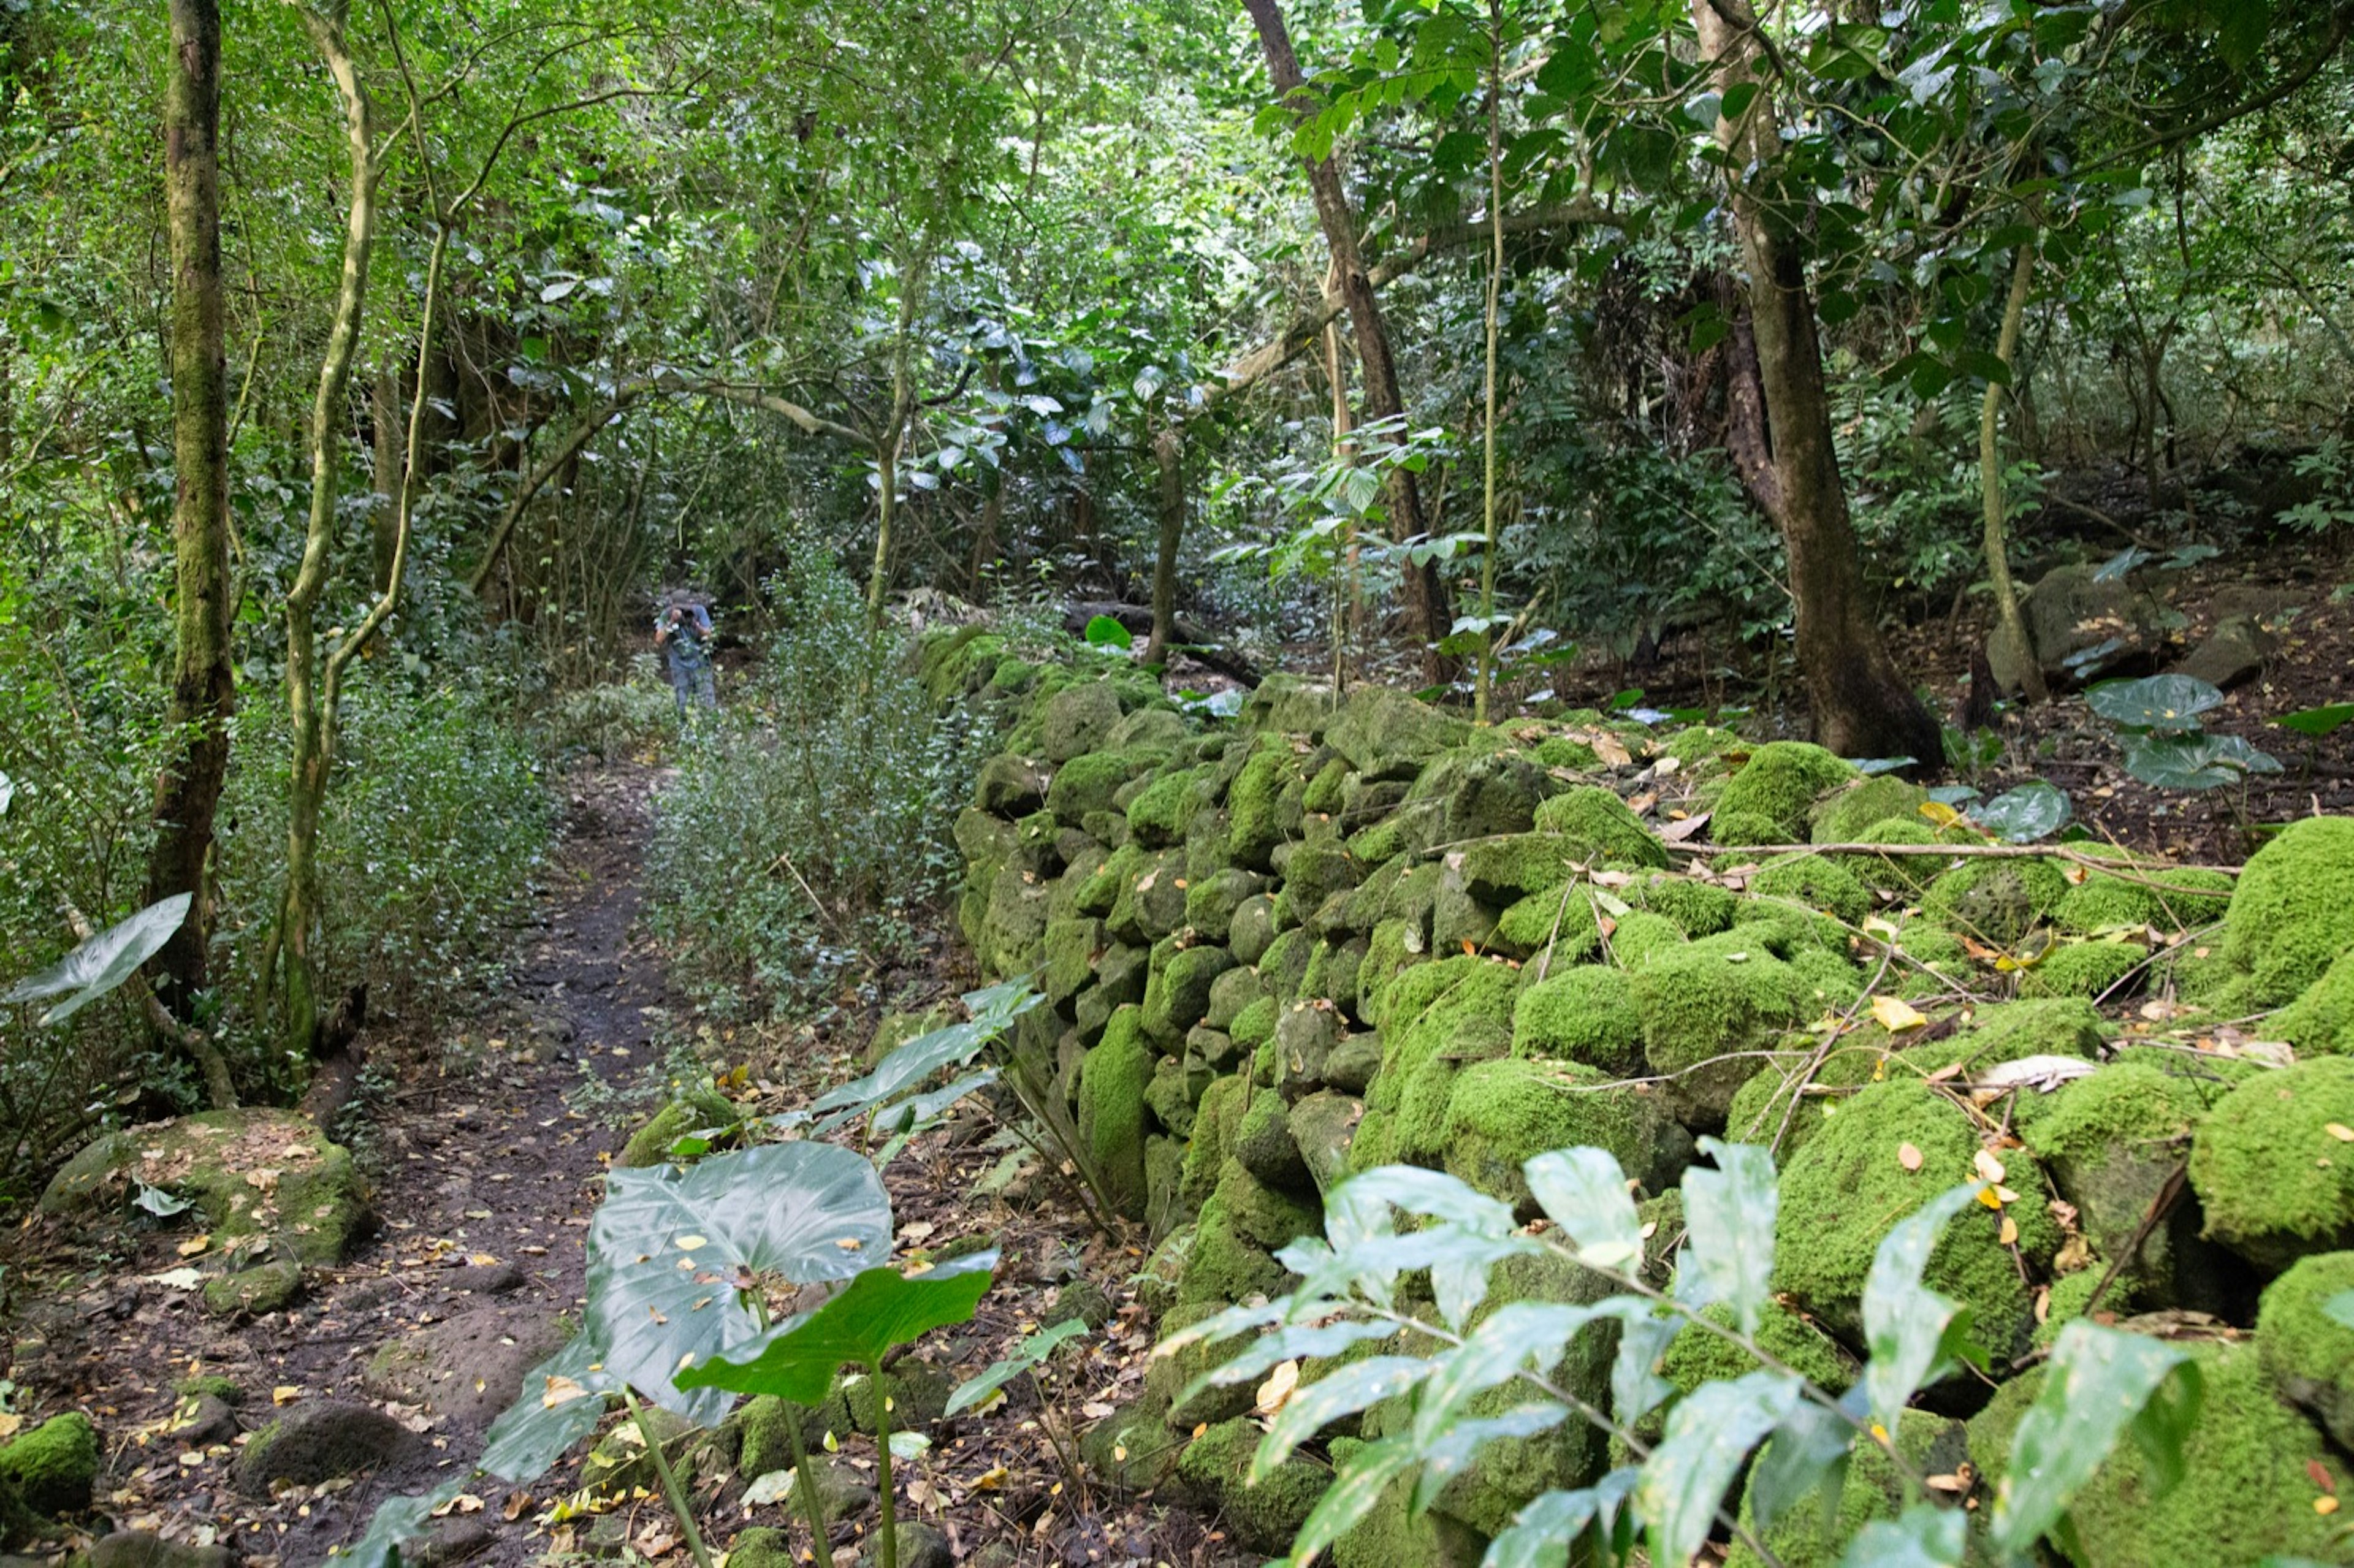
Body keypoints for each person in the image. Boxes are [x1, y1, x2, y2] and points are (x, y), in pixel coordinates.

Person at [655, 595, 717, 720]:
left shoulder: (698, 611)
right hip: (679, 665)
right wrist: (672, 622)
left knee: (707, 700)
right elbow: (659, 639)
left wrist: (695, 624)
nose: (683, 611)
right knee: (683, 702)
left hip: (700, 663)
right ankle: (685, 733)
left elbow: (709, 635)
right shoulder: (667, 614)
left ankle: (710, 728)